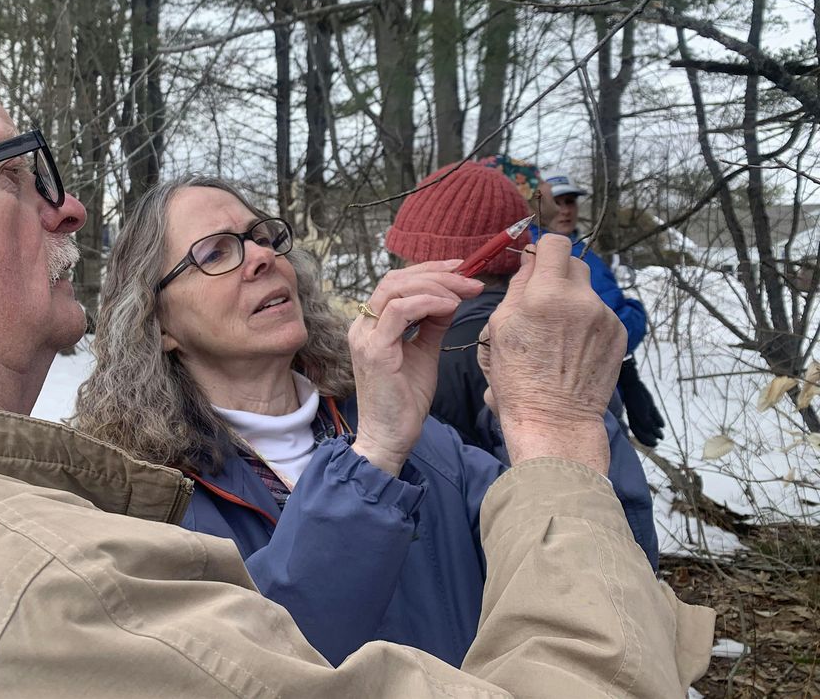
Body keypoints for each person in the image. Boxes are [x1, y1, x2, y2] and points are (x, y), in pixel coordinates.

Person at [0, 0, 711, 697]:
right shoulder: (71, 555)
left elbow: (610, 563)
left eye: (264, 238)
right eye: (14, 170)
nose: (69, 209)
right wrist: (557, 422)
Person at [74, 174, 658, 669]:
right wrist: (373, 457)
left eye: (262, 236)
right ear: (159, 325)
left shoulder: (421, 439)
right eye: (215, 253)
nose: (260, 257)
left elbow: (607, 574)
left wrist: (553, 411)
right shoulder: (141, 501)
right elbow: (257, 669)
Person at [384, 162, 655, 553]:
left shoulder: (449, 354)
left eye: (408, 258)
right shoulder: (548, 332)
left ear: (440, 264)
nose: (401, 271)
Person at [535, 168, 665, 447]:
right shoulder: (553, 254)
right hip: (585, 395)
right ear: (538, 206)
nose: (565, 209)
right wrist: (636, 311)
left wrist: (629, 376)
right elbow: (609, 327)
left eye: (570, 201)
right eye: (557, 202)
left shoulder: (576, 248)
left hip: (598, 384)